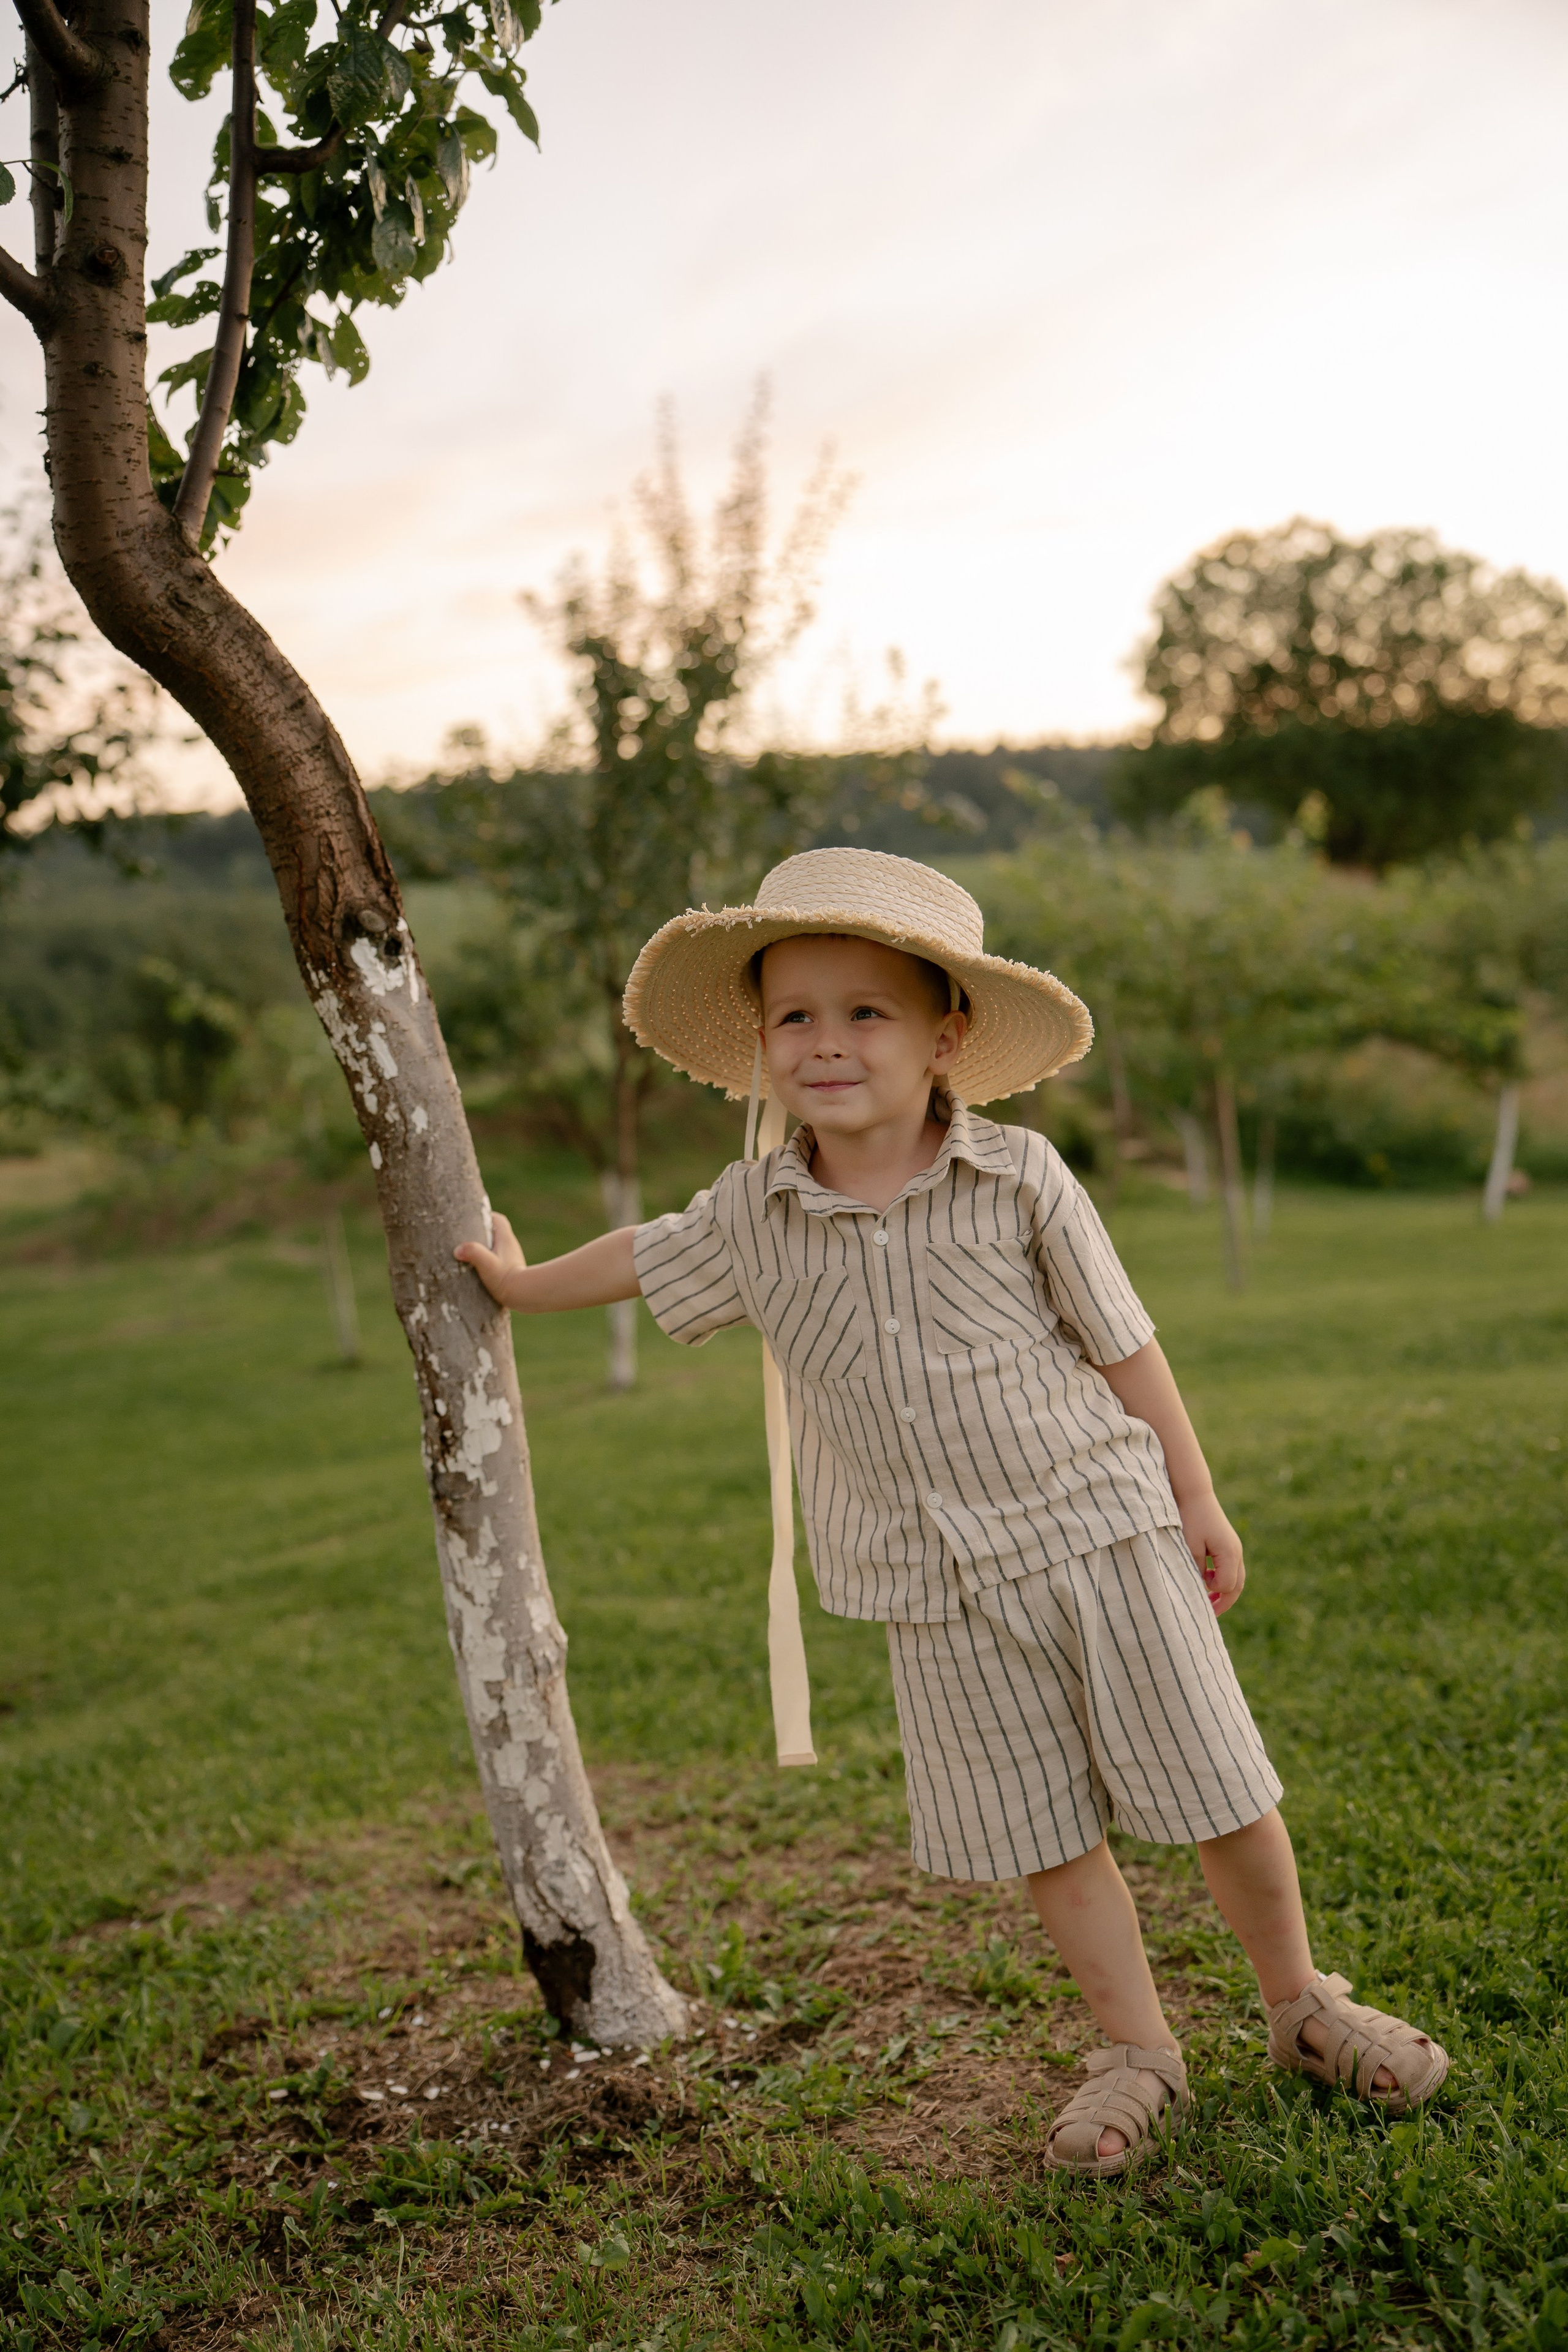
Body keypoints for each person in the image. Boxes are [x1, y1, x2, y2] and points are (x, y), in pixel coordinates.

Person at [454, 847, 1448, 2174]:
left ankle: (1299, 2004)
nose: (825, 1042)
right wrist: (519, 1289)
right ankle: (1136, 2049)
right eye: (794, 1015)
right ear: (759, 1043)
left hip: (1101, 1532)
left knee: (1217, 1787)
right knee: (1045, 1829)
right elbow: (642, 1255)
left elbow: (1122, 1345)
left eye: (865, 1011)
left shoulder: (1021, 1176)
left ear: (945, 1033)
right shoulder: (752, 1213)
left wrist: (1193, 1497)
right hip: (931, 1585)